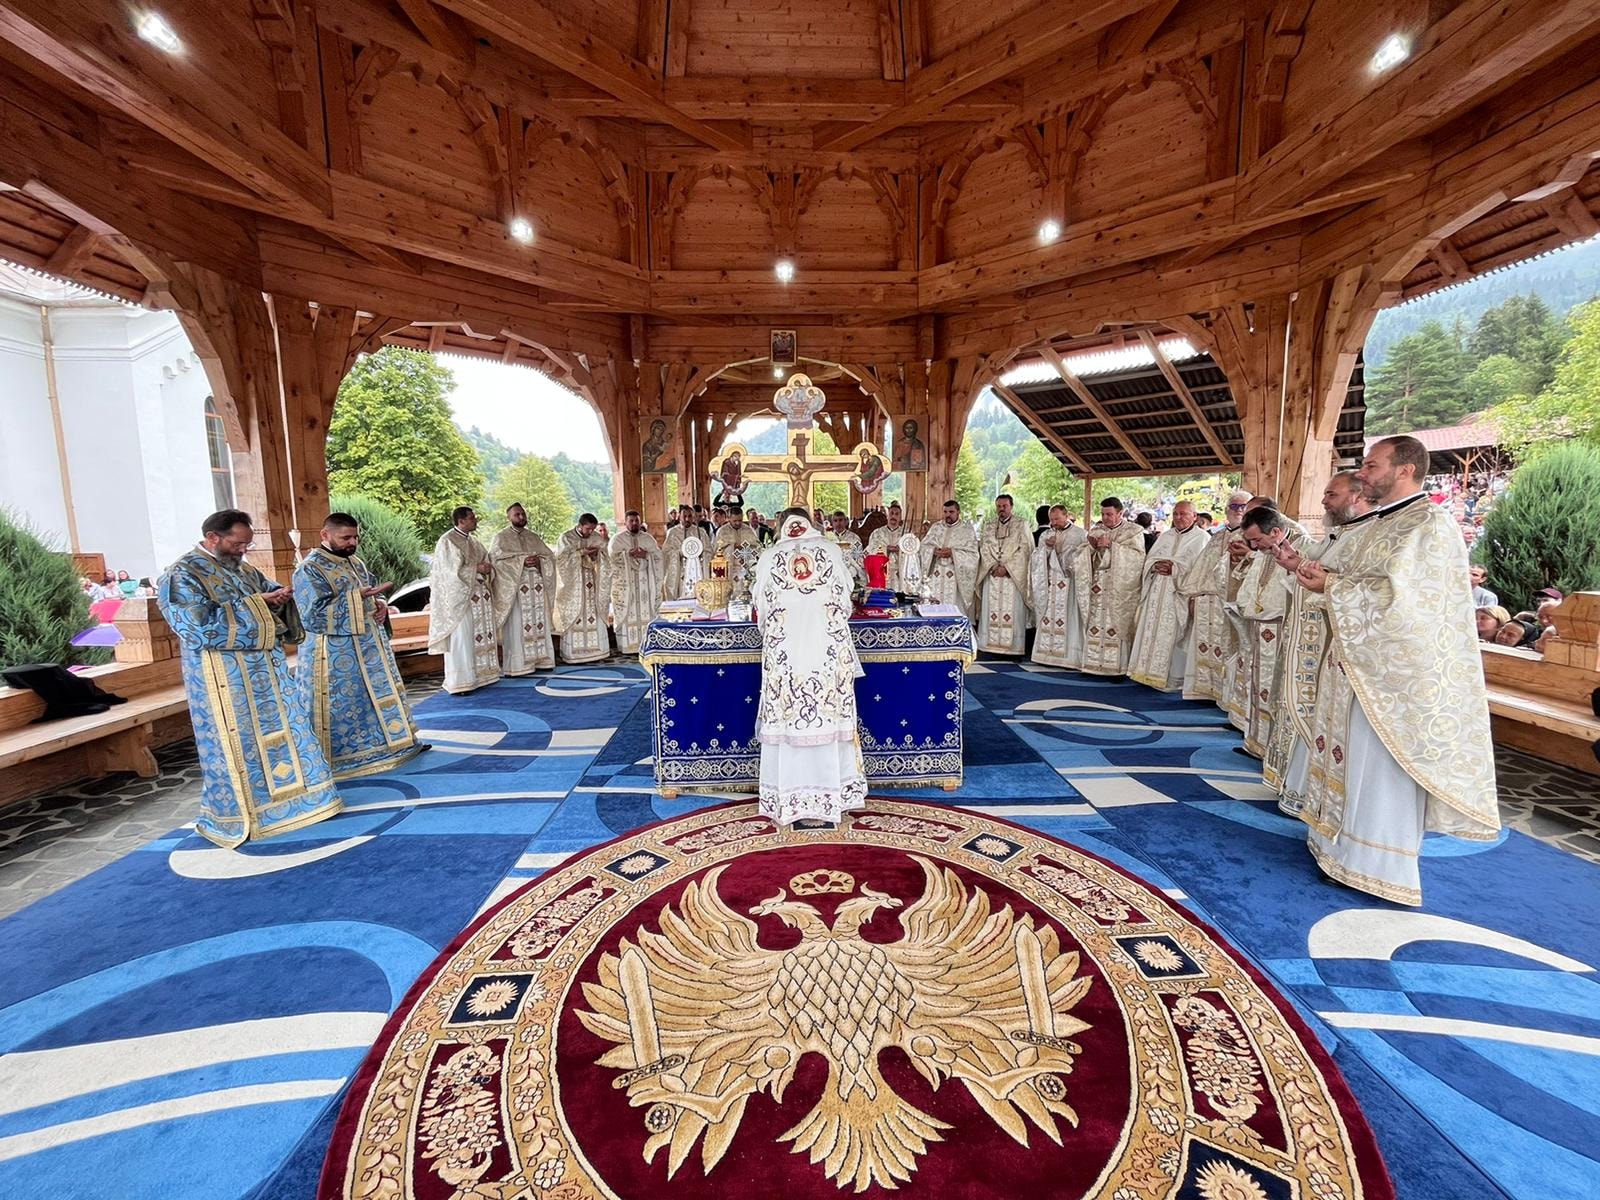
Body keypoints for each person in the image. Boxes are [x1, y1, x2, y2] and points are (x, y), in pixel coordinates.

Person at [1291, 435, 1500, 905]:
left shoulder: (1429, 524)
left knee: (1378, 766)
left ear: (1405, 470)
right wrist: (1324, 580)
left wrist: (1334, 587)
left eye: (1371, 465)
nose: (1363, 474)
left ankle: (1373, 862)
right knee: (1349, 758)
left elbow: (1410, 604)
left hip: (1392, 676)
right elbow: (1357, 580)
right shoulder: (1381, 522)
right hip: (1355, 663)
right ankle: (1333, 846)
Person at [159, 509, 340, 846]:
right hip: (224, 681)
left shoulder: (242, 569)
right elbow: (196, 627)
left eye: (247, 544)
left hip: (266, 673)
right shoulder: (182, 575)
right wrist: (258, 604)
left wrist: (281, 597)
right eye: (237, 543)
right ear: (212, 537)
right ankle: (254, 813)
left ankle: (299, 800)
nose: (243, 550)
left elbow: (269, 592)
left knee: (285, 731)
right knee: (241, 744)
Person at [1262, 472, 1374, 812]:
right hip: (1320, 651)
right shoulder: (1337, 536)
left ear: (1356, 496)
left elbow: (1364, 590)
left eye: (1331, 494)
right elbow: (1318, 573)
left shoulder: (1366, 536)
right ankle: (1301, 794)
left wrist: (1321, 579)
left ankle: (1319, 803)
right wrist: (1295, 564)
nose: (1324, 501)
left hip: (1343, 651)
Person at [751, 508, 866, 826]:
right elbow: (846, 602)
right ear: (810, 523)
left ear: (780, 525)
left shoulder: (769, 556)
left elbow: (761, 609)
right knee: (830, 721)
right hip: (827, 658)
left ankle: (788, 800)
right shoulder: (831, 550)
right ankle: (836, 797)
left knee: (787, 726)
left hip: (786, 659)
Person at [295, 512, 424, 779]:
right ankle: (348, 757)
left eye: (355, 537)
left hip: (369, 647)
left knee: (374, 696)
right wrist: (356, 599)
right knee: (346, 703)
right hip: (334, 656)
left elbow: (371, 590)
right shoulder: (310, 569)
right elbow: (311, 615)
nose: (352, 543)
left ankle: (391, 746)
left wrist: (381, 604)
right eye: (346, 538)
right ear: (325, 535)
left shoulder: (356, 562)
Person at [1224, 504, 1308, 757]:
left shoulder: (1302, 548)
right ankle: (1255, 742)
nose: (1253, 546)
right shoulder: (1265, 549)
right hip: (1258, 627)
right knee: (1256, 684)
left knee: (1274, 690)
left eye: (1256, 540)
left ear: (1275, 532)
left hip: (1282, 631)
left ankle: (1273, 750)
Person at [1177, 489, 1253, 704]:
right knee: (1205, 647)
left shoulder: (1251, 538)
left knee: (1229, 648)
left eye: (1243, 507)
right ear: (1227, 510)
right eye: (1234, 506)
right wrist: (1193, 595)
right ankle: (1205, 690)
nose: (1238, 510)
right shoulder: (1218, 536)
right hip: (1207, 603)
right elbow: (1201, 569)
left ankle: (1226, 696)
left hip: (1232, 603)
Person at [1127, 501, 1209, 691]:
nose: (1179, 517)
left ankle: (1171, 679)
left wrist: (1176, 569)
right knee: (1151, 629)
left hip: (1179, 594)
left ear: (1194, 516)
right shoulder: (1165, 536)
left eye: (1184, 514)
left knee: (1174, 634)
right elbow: (1149, 560)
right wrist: (1154, 565)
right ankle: (1145, 672)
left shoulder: (1203, 538)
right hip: (1157, 592)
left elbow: (1202, 569)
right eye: (1176, 514)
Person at [429, 506, 501, 695]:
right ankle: (461, 682)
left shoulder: (475, 542)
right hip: (461, 601)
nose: (475, 521)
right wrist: (476, 569)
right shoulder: (447, 541)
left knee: (479, 636)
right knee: (462, 638)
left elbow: (487, 562)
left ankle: (483, 676)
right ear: (461, 521)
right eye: (472, 518)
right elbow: (448, 573)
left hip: (480, 598)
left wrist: (487, 568)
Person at [1070, 497, 1146, 676]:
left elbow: (1138, 558)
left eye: (1109, 514)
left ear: (1120, 513)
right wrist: (1091, 549)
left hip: (1119, 590)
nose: (1105, 518)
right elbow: (1079, 557)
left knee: (1115, 624)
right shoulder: (1096, 531)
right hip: (1097, 588)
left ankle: (1116, 669)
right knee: (1095, 622)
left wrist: (1112, 546)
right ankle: (1092, 664)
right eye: (1103, 514)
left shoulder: (1133, 532)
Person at [490, 503, 557, 675]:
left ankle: (543, 661)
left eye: (523, 514)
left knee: (539, 623)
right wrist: (521, 562)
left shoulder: (533, 537)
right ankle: (519, 666)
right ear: (509, 517)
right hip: (517, 592)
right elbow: (496, 562)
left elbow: (550, 557)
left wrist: (539, 561)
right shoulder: (501, 538)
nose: (521, 517)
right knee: (518, 626)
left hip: (537, 590)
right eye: (517, 515)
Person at [1030, 504, 1087, 668]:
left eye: (1057, 519)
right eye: (1051, 520)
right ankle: (1045, 655)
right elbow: (1036, 559)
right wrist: (1047, 549)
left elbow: (1085, 559)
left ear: (1066, 516)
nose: (1054, 523)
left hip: (1070, 584)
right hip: (1051, 585)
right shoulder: (1046, 535)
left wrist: (1070, 563)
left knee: (1070, 618)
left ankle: (1069, 658)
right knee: (1048, 617)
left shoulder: (1080, 534)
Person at [977, 493, 1033, 655]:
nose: (1001, 509)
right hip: (992, 574)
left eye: (1004, 506)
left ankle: (1013, 649)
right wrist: (993, 565)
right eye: (999, 506)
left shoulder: (1021, 524)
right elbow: (983, 548)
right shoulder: (989, 526)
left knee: (1013, 611)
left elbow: (1026, 550)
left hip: (1013, 576)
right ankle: (990, 646)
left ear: (1011, 507)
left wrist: (1007, 567)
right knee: (991, 610)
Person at [555, 513, 611, 663]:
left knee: (594, 612)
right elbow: (560, 560)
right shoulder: (566, 538)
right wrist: (581, 553)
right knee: (577, 614)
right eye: (588, 529)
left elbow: (606, 558)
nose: (590, 532)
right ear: (580, 525)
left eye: (593, 529)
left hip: (592, 583)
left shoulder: (596, 538)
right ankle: (574, 654)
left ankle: (598, 650)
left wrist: (596, 555)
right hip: (574, 587)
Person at [609, 510, 664, 654]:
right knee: (629, 610)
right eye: (631, 521)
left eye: (637, 521)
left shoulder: (648, 539)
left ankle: (647, 643)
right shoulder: (617, 539)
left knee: (647, 610)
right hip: (627, 586)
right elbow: (611, 559)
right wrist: (627, 554)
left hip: (645, 583)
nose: (634, 523)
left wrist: (646, 555)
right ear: (625, 522)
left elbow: (659, 557)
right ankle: (628, 646)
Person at [919, 499, 980, 617]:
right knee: (934, 609)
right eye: (945, 512)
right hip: (936, 575)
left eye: (951, 512)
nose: (948, 515)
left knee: (953, 610)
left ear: (958, 512)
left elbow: (973, 555)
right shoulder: (936, 527)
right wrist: (933, 551)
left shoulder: (966, 530)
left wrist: (953, 553)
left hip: (955, 576)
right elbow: (923, 547)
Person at [662, 503, 711, 600]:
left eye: (690, 516)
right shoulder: (673, 533)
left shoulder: (701, 532)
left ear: (694, 517)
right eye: (684, 516)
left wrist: (701, 553)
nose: (687, 519)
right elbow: (666, 552)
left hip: (698, 571)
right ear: (679, 517)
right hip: (681, 571)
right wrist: (679, 553)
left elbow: (709, 551)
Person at [713, 503, 763, 595]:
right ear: (729, 518)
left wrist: (746, 548)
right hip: (729, 569)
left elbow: (757, 548)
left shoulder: (748, 530)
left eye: (740, 520)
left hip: (745, 567)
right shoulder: (723, 531)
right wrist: (732, 547)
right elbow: (717, 551)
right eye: (735, 520)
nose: (737, 523)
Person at [864, 501, 911, 591]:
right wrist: (886, 549)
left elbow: (912, 554)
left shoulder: (907, 534)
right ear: (887, 515)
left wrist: (901, 550)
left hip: (900, 574)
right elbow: (871, 550)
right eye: (891, 513)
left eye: (897, 514)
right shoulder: (877, 533)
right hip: (882, 572)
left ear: (900, 517)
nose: (894, 516)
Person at [827, 510, 867, 587]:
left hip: (850, 567)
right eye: (835, 521)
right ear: (832, 523)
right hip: (833, 567)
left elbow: (858, 557)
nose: (838, 523)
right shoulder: (828, 538)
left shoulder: (854, 537)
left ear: (846, 522)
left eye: (841, 520)